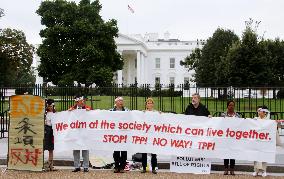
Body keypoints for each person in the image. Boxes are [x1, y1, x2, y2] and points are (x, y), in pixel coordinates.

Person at [68, 95, 92, 172]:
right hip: (75, 132)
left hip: (85, 132)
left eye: (83, 101)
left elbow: (94, 116)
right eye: (81, 101)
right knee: (76, 150)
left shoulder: (87, 108)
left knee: (85, 149)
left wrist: (90, 111)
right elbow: (67, 118)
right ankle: (77, 166)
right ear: (77, 102)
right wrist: (69, 112)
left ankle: (86, 166)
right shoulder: (72, 109)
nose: (83, 102)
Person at [220, 100, 241, 175]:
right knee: (226, 152)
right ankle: (226, 168)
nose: (231, 107)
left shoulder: (237, 116)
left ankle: (232, 169)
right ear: (227, 106)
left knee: (233, 153)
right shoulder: (223, 115)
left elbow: (241, 125)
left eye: (232, 105)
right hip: (225, 136)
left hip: (234, 137)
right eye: (230, 105)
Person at [110, 96, 129, 173]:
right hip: (116, 134)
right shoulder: (111, 111)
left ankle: (122, 167)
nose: (121, 102)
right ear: (116, 102)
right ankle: (117, 166)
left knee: (124, 151)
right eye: (119, 101)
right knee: (116, 151)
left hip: (124, 134)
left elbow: (133, 116)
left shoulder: (127, 110)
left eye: (122, 101)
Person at [141, 98, 158, 174]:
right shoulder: (143, 112)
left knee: (153, 152)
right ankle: (144, 167)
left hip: (153, 135)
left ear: (153, 104)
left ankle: (154, 168)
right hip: (145, 135)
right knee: (144, 152)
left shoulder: (156, 113)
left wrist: (160, 114)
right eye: (148, 103)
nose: (150, 104)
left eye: (151, 103)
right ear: (146, 105)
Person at [252, 106, 269, 177]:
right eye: (258, 111)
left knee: (264, 155)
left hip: (264, 140)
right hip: (257, 140)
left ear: (264, 112)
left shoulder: (268, 120)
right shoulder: (256, 119)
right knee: (256, 155)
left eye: (260, 111)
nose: (259, 112)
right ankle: (256, 170)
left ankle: (264, 171)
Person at [43, 99, 57, 171]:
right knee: (43, 147)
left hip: (52, 131)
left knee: (51, 149)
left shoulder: (55, 113)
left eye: (52, 106)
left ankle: (51, 165)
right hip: (46, 130)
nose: (51, 107)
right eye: (49, 106)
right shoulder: (45, 114)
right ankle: (41, 164)